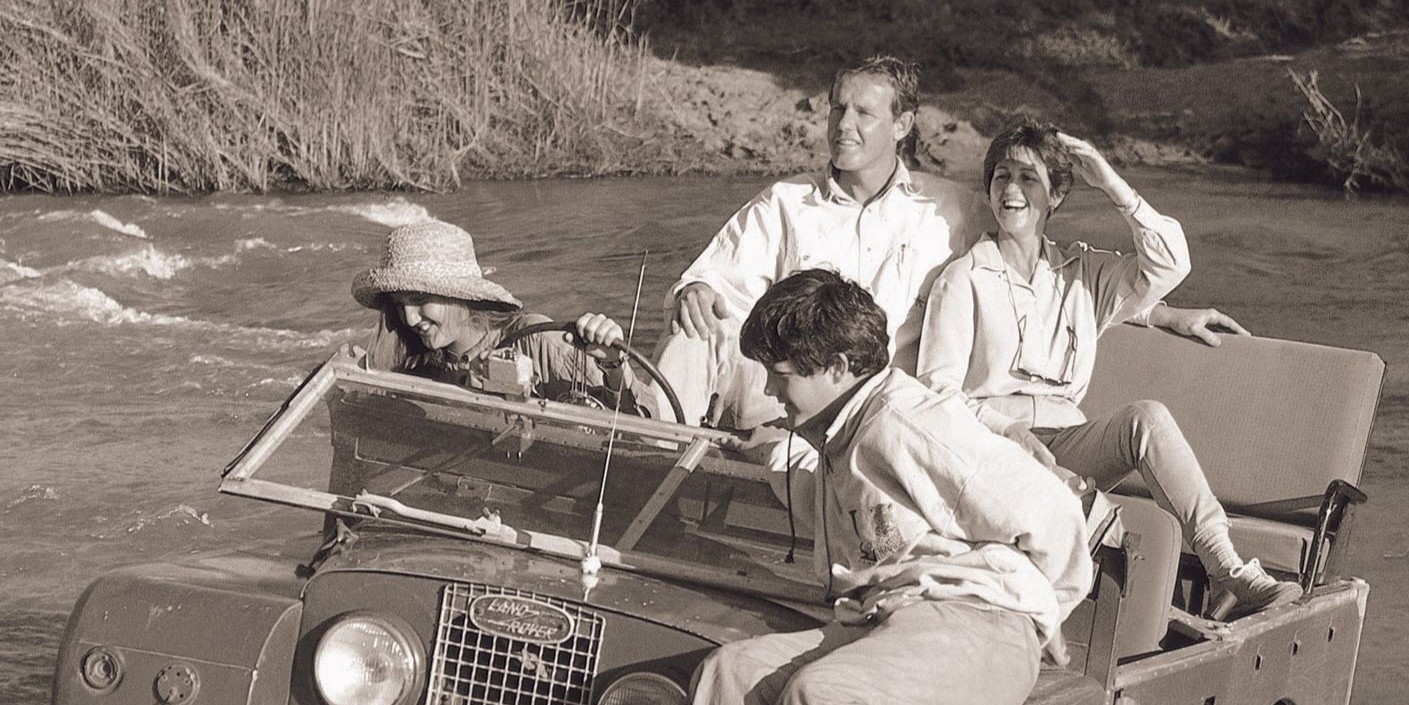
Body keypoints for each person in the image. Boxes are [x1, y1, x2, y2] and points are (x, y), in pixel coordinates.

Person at [655, 54, 1246, 447]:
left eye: (863, 112)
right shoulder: (784, 202)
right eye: (837, 107)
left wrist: (1157, 312)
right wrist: (697, 287)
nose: (842, 124)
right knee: (694, 325)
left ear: (903, 125)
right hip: (786, 397)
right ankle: (639, 454)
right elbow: (719, 283)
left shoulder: (952, 211)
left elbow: (1034, 270)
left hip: (876, 416)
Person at [915, 117, 1299, 619]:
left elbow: (1170, 264)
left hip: (1069, 445)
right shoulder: (963, 279)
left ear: (1056, 196)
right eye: (1001, 176)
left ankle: (1227, 569)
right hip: (995, 452)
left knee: (1147, 418)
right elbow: (937, 392)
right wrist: (1008, 430)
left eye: (1028, 178)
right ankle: (1137, 614)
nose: (1011, 189)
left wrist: (1112, 183)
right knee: (1083, 504)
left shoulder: (1082, 273)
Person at [689, 269, 1090, 705]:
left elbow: (1055, 510)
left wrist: (1046, 615)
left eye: (780, 374)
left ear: (837, 367)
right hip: (884, 617)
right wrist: (769, 450)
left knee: (820, 694)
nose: (769, 389)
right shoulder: (840, 436)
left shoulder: (907, 422)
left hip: (978, 617)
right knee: (728, 673)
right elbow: (820, 498)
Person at [351, 220, 653, 416]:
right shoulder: (411, 364)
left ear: (461, 295)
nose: (409, 318)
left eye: (419, 300)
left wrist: (612, 366)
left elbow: (646, 432)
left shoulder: (537, 342)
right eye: (399, 304)